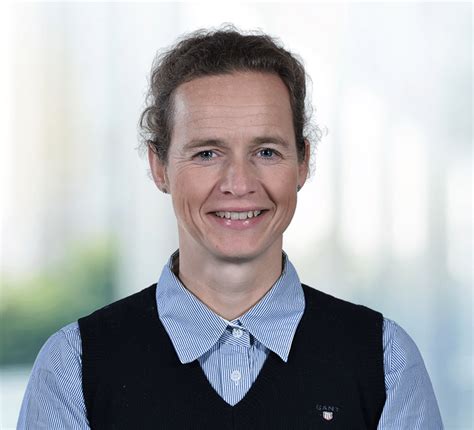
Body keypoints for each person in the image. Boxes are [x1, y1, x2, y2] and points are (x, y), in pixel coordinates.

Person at [18, 26, 443, 429]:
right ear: (159, 166)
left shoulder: (386, 361)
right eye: (207, 153)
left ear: (303, 162)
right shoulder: (73, 367)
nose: (239, 184)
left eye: (266, 151)